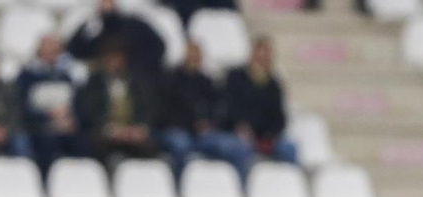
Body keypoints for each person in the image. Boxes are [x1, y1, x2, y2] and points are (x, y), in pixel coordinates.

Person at [160, 41, 252, 181]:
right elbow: (164, 114)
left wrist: (210, 124)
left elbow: (219, 109)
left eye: (197, 57)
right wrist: (192, 125)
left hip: (205, 134)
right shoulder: (171, 80)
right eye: (191, 56)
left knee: (238, 146)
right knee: (180, 144)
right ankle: (179, 186)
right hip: (178, 130)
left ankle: (239, 188)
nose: (194, 60)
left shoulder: (207, 82)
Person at [75, 43, 158, 165]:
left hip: (133, 131)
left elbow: (148, 107)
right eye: (111, 59)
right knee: (93, 145)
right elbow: (89, 111)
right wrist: (108, 128)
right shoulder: (94, 83)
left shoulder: (138, 81)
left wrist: (141, 127)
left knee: (150, 146)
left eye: (118, 58)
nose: (114, 63)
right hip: (106, 132)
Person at [225, 37, 297, 165]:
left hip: (265, 135)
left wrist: (270, 134)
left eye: (266, 57)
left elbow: (279, 117)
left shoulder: (274, 85)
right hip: (239, 133)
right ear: (253, 55)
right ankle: (243, 184)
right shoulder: (236, 77)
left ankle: (285, 183)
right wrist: (242, 126)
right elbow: (230, 109)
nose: (263, 61)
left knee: (289, 148)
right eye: (260, 57)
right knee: (240, 148)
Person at [15, 35, 80, 175]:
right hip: (38, 127)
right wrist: (48, 116)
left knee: (82, 141)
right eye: (49, 49)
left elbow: (76, 105)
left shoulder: (66, 75)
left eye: (56, 50)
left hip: (65, 125)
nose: (53, 53)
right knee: (46, 142)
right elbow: (22, 109)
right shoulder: (27, 75)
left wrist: (70, 118)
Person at [68, 0, 168, 75]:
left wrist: (137, 66)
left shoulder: (135, 25)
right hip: (103, 79)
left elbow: (158, 47)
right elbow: (74, 49)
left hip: (135, 77)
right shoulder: (93, 27)